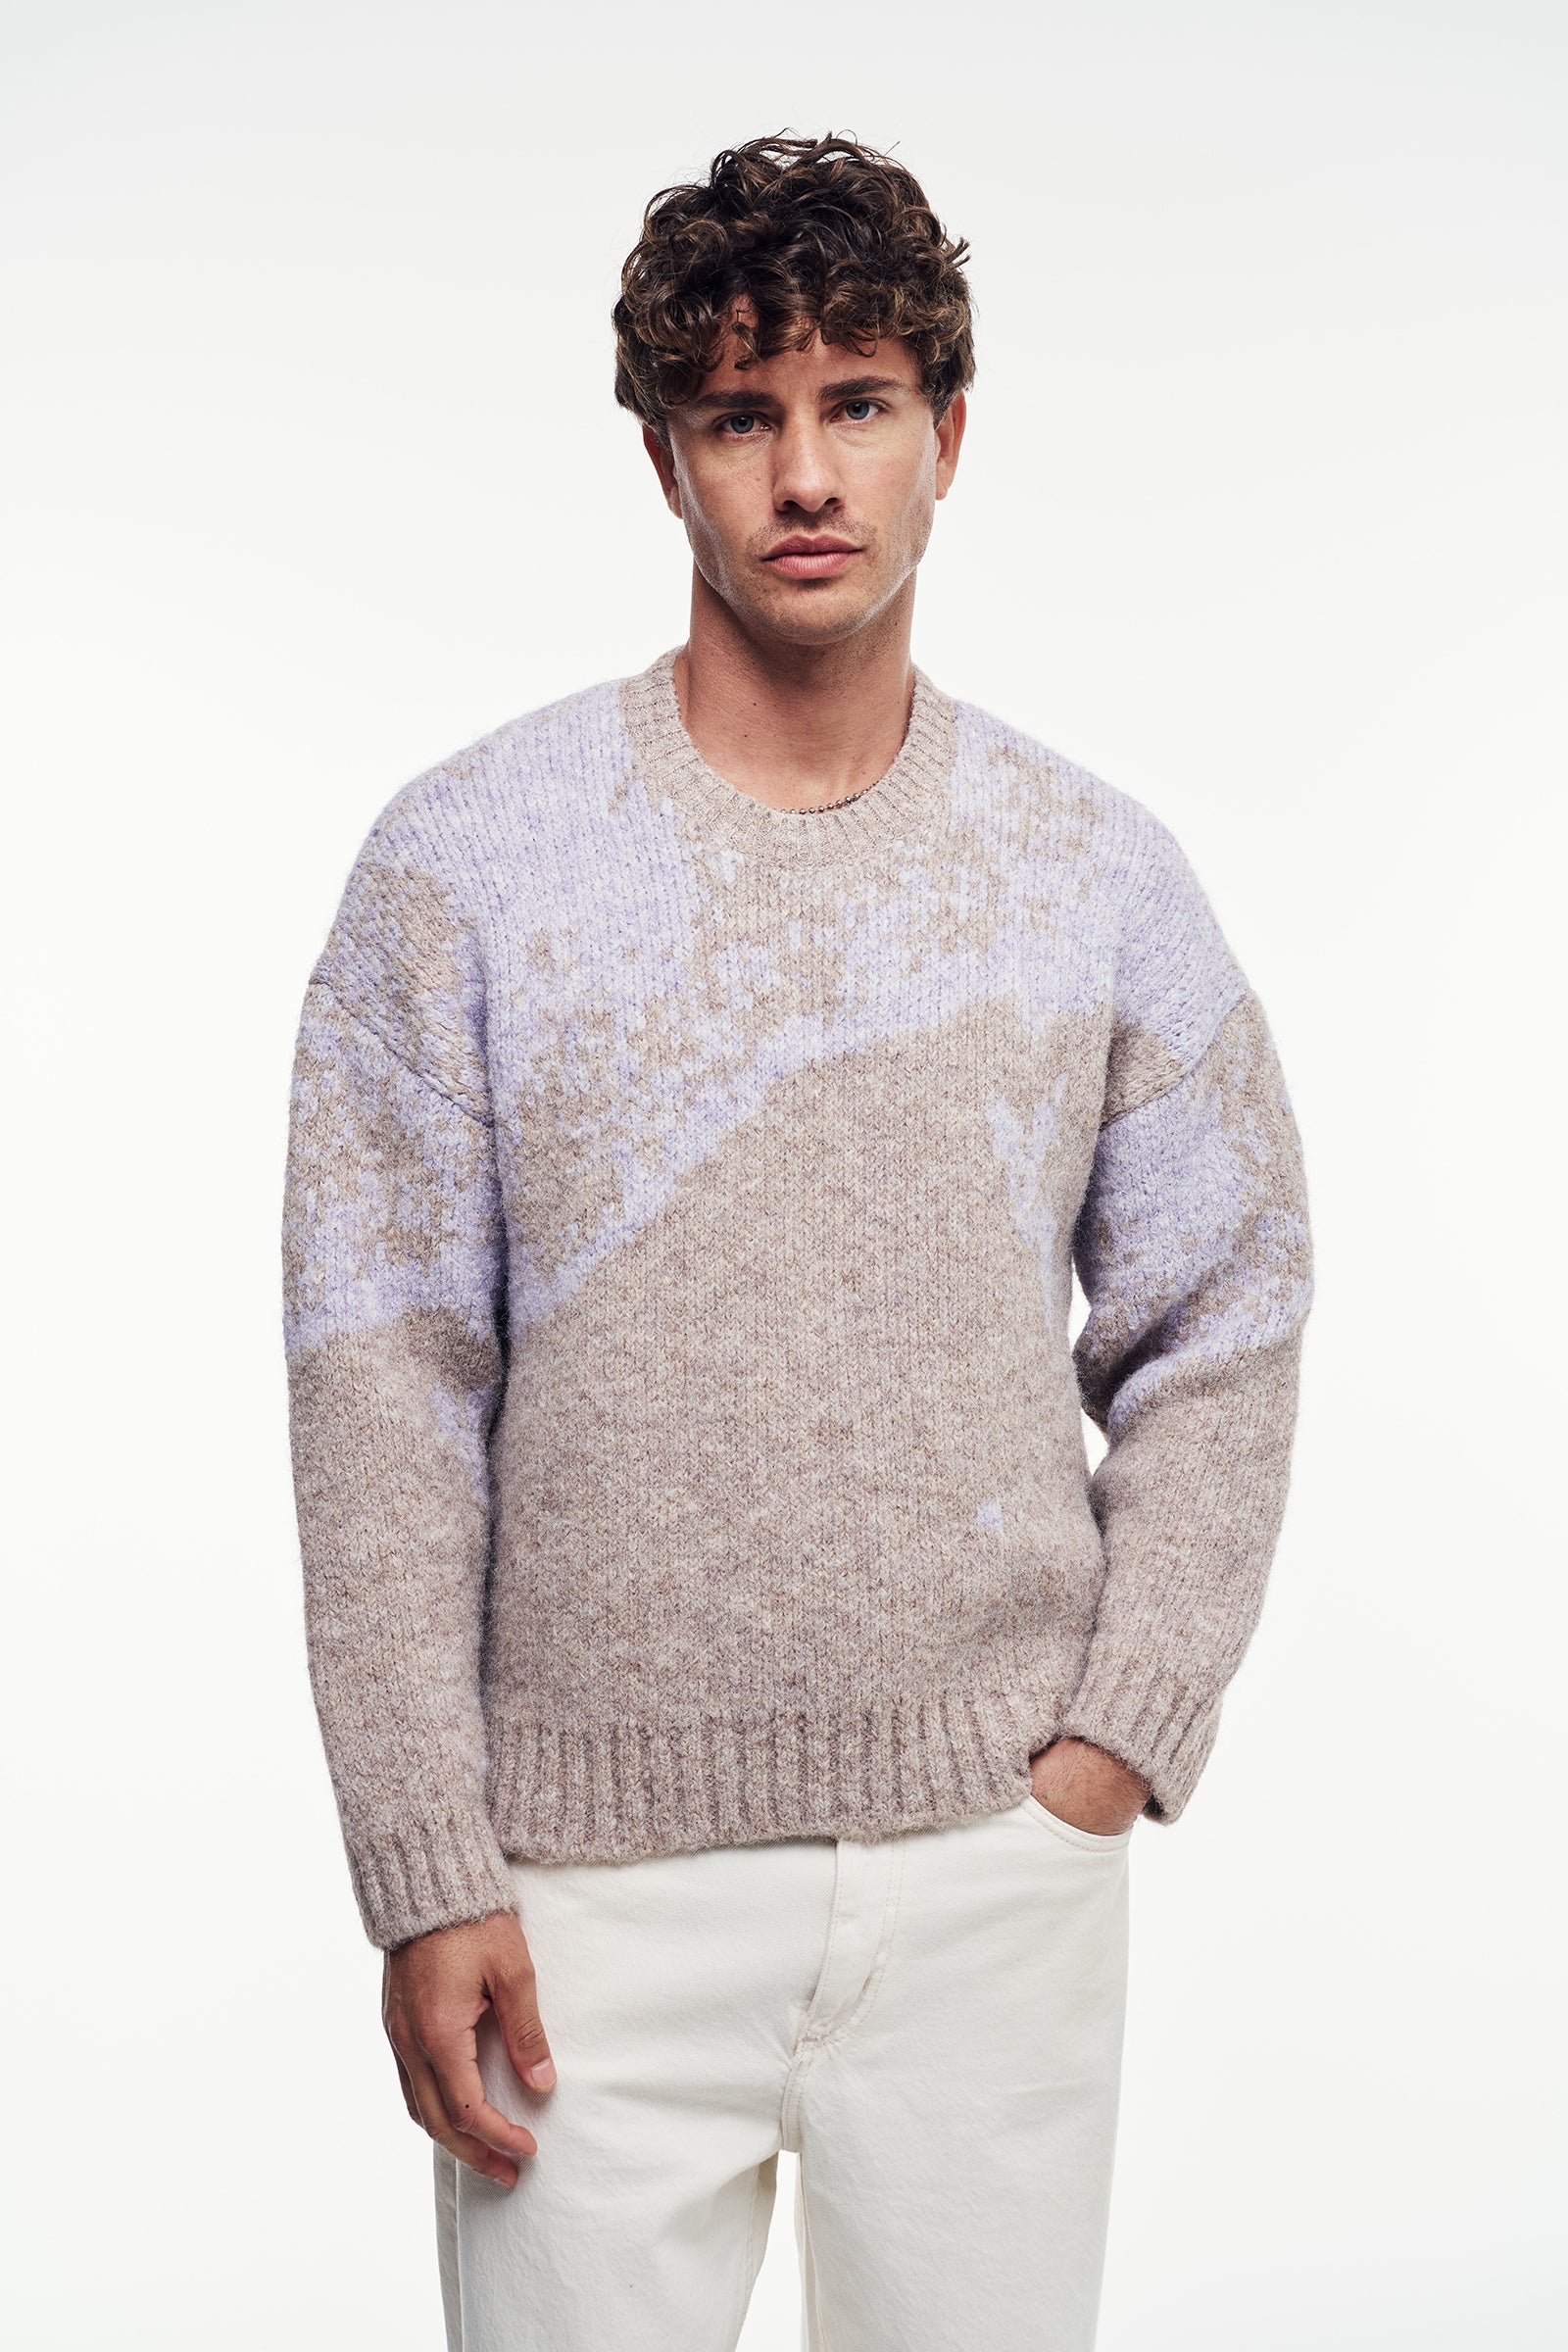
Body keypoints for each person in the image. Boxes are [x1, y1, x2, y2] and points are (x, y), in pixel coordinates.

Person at [282, 130, 1313, 2352]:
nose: (807, 474)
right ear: (666, 460)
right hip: (575, 1913)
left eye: (858, 402)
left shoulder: (1093, 874)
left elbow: (1225, 1308)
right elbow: (380, 1388)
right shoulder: (463, 872)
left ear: (951, 434)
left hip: (989, 1881)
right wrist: (424, 1864)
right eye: (741, 416)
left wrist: (1109, 1747)